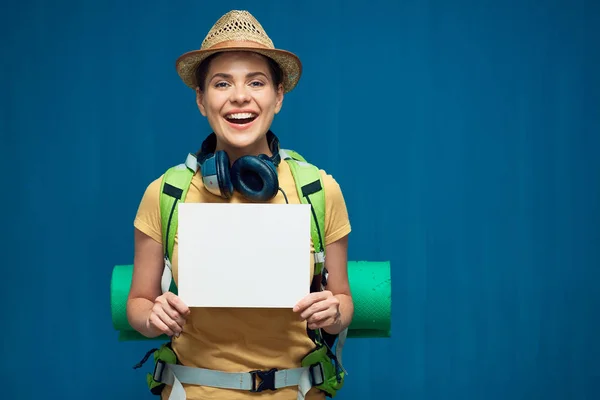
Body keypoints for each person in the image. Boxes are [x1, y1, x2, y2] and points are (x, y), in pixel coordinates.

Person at [127, 9, 353, 400]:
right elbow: (138, 303)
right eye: (221, 83)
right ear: (201, 100)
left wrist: (334, 313)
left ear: (278, 95)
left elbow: (343, 302)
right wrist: (151, 317)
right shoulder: (166, 193)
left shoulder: (318, 189)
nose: (240, 97)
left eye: (257, 82)